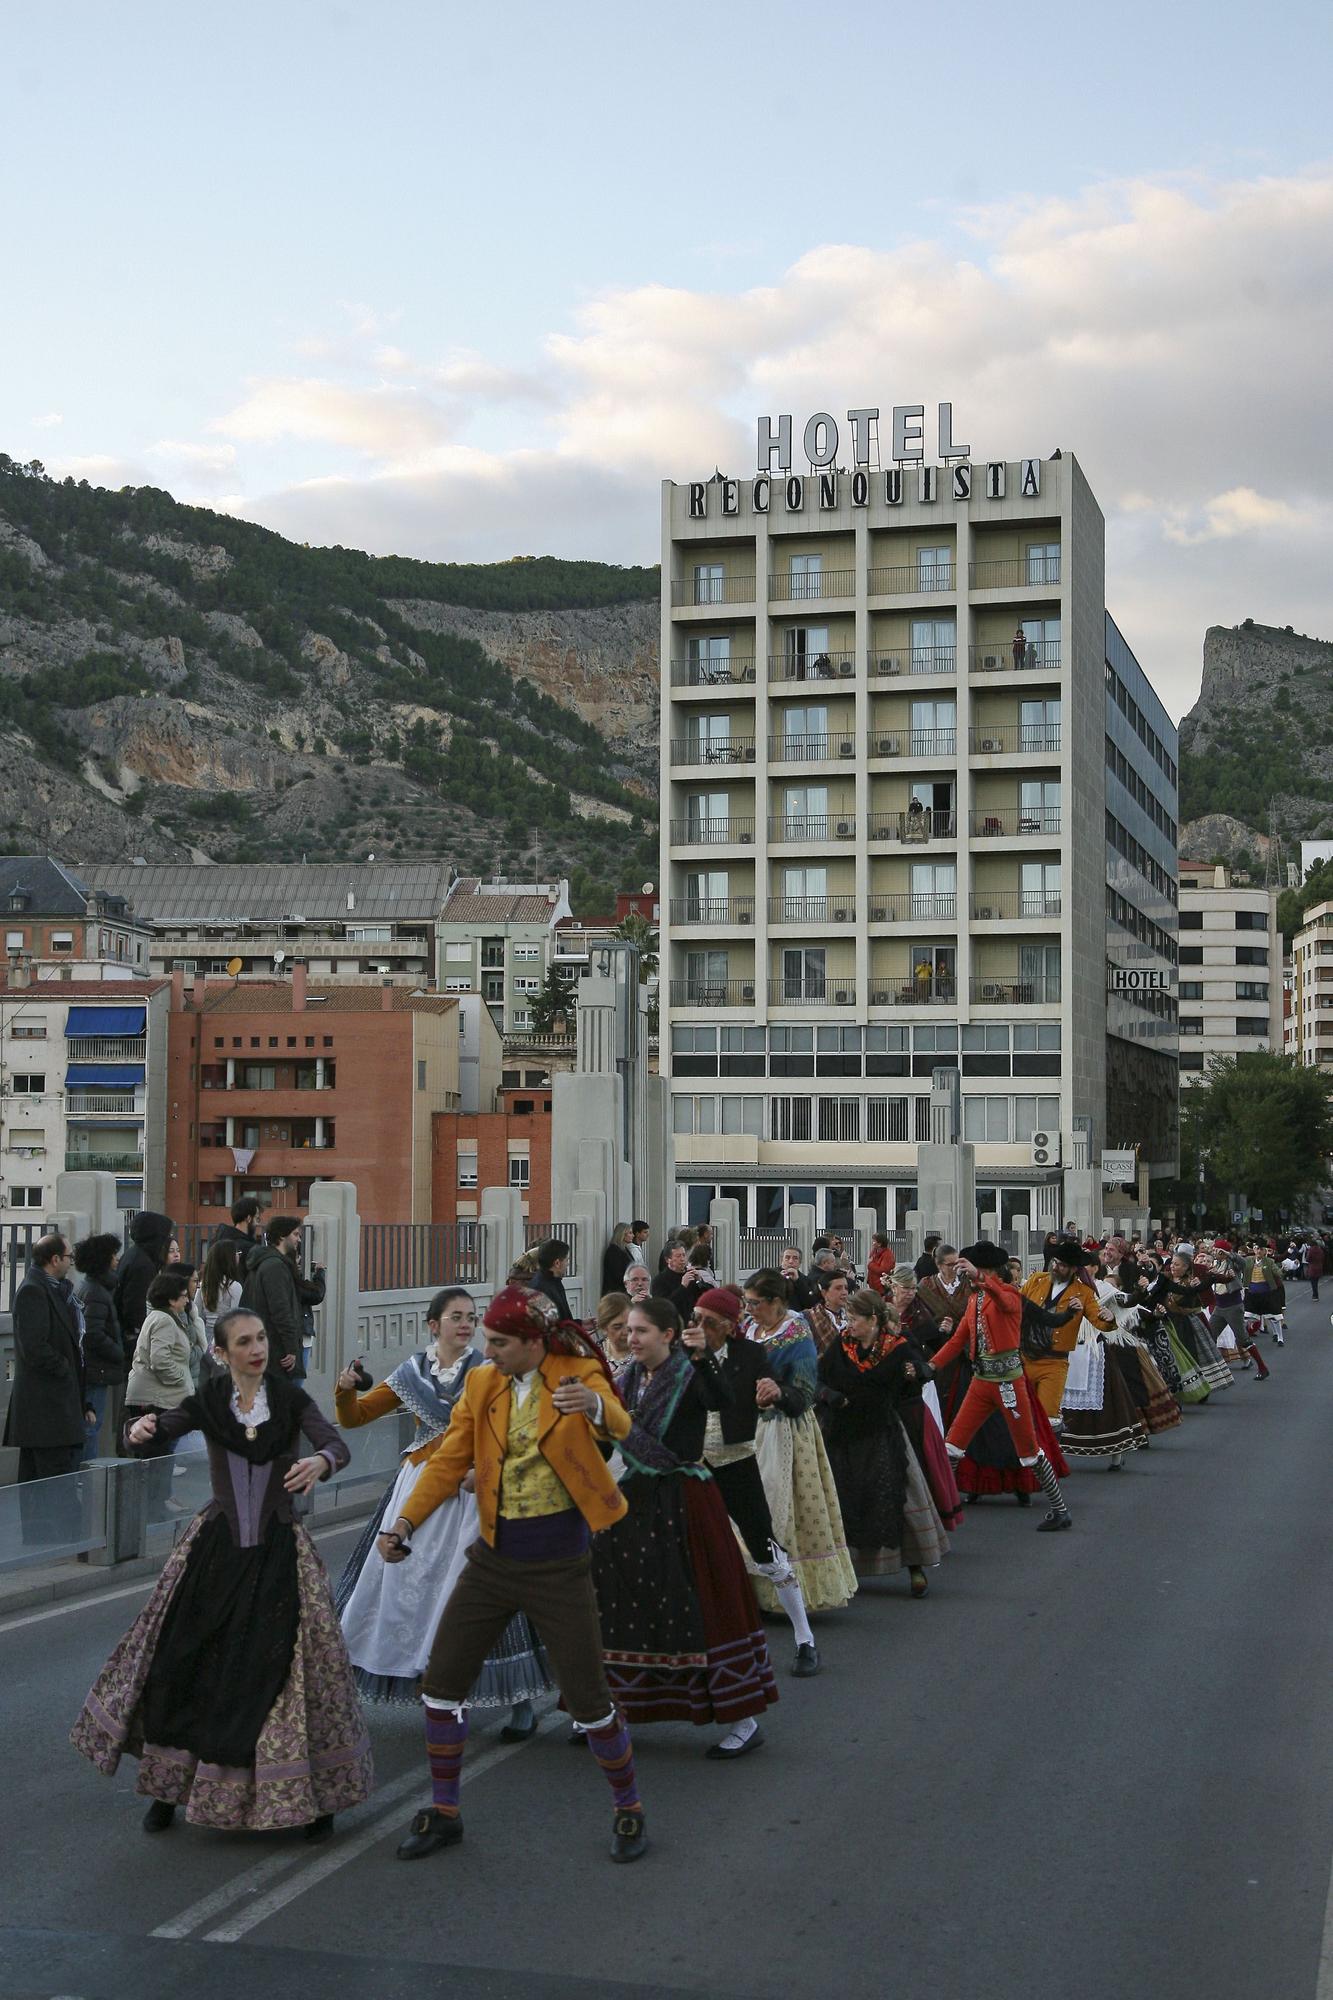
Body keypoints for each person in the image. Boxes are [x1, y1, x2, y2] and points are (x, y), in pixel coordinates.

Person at [72, 1307, 372, 1838]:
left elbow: (335, 1443)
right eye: (244, 1342)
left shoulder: (290, 1399)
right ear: (222, 1353)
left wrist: (322, 1462)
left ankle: (314, 1799)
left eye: (260, 1338)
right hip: (216, 1550)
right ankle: (167, 1790)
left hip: (279, 1549)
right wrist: (137, 1426)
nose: (256, 1349)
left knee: (293, 1673)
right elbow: (154, 1428)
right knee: (184, 1662)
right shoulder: (210, 1402)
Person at [378, 1284, 649, 1865]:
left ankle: (628, 1808)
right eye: (486, 1340)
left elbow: (619, 1425)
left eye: (499, 1342)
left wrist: (596, 1408)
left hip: (559, 1564)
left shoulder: (575, 1372)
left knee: (588, 1698)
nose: (488, 1350)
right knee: (442, 1686)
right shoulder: (483, 1383)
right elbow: (450, 1460)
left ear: (532, 1341)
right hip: (494, 1560)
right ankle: (445, 1812)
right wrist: (402, 1524)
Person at [335, 1288, 549, 1736]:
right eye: (456, 1316)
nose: (466, 1324)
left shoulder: (490, 1372)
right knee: (406, 1591)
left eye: (471, 1317)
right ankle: (425, 1682)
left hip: (474, 1489)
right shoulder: (412, 1373)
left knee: (482, 1594)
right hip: (418, 1490)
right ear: (434, 1324)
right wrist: (344, 1391)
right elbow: (356, 1418)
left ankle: (518, 1698)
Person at [588, 1296, 778, 1759]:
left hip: (683, 1501)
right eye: (627, 1331)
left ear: (668, 1335)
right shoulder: (625, 1380)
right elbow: (607, 1441)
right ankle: (608, 1709)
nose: (630, 1339)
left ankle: (741, 1718)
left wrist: (703, 1357)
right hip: (633, 1501)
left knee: (699, 1605)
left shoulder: (689, 1373)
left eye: (640, 1332)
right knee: (623, 1601)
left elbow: (723, 1400)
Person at [683, 1286, 824, 1675]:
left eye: (708, 1322)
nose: (698, 1327)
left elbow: (798, 1400)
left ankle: (804, 1638)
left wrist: (777, 1393)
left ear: (729, 1327)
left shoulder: (750, 1355)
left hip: (735, 1463)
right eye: (694, 1318)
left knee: (766, 1550)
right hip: (690, 1468)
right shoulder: (680, 1354)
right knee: (680, 1552)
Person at [926, 1242, 1074, 1532]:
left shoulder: (1007, 1293)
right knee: (952, 1447)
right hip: (982, 1381)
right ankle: (943, 1509)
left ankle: (1060, 1510)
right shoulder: (975, 1300)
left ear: (985, 1270)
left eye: (971, 1268)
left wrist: (981, 1279)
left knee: (1029, 1452)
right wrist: (930, 1367)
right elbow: (958, 1341)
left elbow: (1004, 1301)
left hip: (1008, 1382)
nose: (965, 1274)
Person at [740, 1269, 857, 1617]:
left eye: (756, 1303)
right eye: (747, 1303)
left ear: (776, 1302)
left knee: (786, 1512)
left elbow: (805, 1392)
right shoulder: (750, 1330)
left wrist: (778, 1393)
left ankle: (785, 1596)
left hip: (786, 1429)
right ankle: (752, 1593)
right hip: (750, 1430)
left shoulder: (796, 1333)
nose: (750, 1310)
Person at [817, 1289, 949, 1596]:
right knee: (847, 1498)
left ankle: (915, 1566)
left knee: (897, 1497)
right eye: (846, 1318)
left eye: (853, 1319)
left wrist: (916, 1371)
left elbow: (925, 1368)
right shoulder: (842, 1345)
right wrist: (828, 1395)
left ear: (873, 1320)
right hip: (844, 1434)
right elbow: (819, 1378)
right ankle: (848, 1569)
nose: (847, 1325)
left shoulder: (898, 1347)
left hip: (882, 1432)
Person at [4, 1233, 89, 1543]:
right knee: (50, 1476)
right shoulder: (33, 1292)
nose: (71, 1263)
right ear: (55, 1260)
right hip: (44, 1405)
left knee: (47, 1475)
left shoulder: (56, 1290)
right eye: (69, 1257)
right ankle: (60, 1539)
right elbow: (34, 1347)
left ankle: (49, 1537)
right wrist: (65, 1368)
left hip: (55, 1404)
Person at [124, 1271, 209, 1514]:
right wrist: (182, 1379)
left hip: (160, 1395)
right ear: (171, 1299)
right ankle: (152, 1507)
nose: (187, 1301)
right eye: (183, 1296)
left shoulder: (168, 1318)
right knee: (157, 1455)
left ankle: (156, 1503)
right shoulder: (163, 1320)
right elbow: (160, 1360)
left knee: (161, 1454)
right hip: (155, 1398)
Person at [1020, 1239, 1106, 1421]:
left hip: (1055, 1362)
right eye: (1055, 1262)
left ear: (1074, 1269)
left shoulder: (1084, 1293)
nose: (1056, 1267)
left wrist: (1108, 1319)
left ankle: (1047, 1449)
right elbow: (1016, 1308)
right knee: (1020, 1415)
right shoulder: (1036, 1281)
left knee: (1047, 1417)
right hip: (1025, 1358)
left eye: (1062, 1265)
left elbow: (1098, 1320)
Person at [73, 1233, 125, 1463]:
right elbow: (93, 1334)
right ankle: (86, 1482)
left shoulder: (91, 1288)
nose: (117, 1260)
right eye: (113, 1255)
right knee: (91, 1427)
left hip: (93, 1368)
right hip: (97, 1370)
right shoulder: (96, 1292)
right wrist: (118, 1352)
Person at [240, 1214, 305, 1377]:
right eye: (295, 1234)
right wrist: (291, 1347)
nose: (299, 1240)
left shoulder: (264, 1262)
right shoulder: (275, 1266)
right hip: (275, 1352)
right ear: (282, 1236)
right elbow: (280, 1310)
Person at [112, 1211, 175, 1356]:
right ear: (155, 1237)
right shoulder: (142, 1265)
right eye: (166, 1236)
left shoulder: (133, 1255)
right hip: (135, 1341)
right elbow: (136, 1308)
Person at [199, 1238, 243, 1346]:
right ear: (229, 1258)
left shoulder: (204, 1285)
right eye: (237, 1252)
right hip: (225, 1337)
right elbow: (234, 1318)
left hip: (206, 1336)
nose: (238, 1255)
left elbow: (198, 1313)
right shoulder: (235, 1287)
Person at [805, 1269, 851, 1354]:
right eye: (838, 1288)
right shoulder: (810, 1317)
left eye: (846, 1288)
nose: (844, 1292)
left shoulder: (852, 1315)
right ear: (824, 1293)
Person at [530, 1238, 574, 1320]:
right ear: (557, 1263)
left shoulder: (554, 1281)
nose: (567, 1264)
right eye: (567, 1260)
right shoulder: (541, 1289)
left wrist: (581, 1324)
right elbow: (550, 1326)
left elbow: (563, 1320)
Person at [594, 1292, 633, 1370]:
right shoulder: (594, 1354)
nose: (625, 1332)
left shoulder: (646, 1354)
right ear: (604, 1327)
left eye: (630, 1326)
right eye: (617, 1327)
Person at [780, 1245, 821, 1311]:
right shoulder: (771, 1275)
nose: (791, 1261)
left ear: (800, 1263)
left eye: (795, 1258)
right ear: (781, 1260)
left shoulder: (806, 1280)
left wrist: (798, 1281)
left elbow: (811, 1303)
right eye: (787, 1258)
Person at [602, 1224, 633, 1297]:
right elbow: (617, 1274)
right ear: (622, 1234)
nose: (633, 1235)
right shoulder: (613, 1251)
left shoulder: (625, 1250)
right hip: (616, 1293)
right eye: (630, 1233)